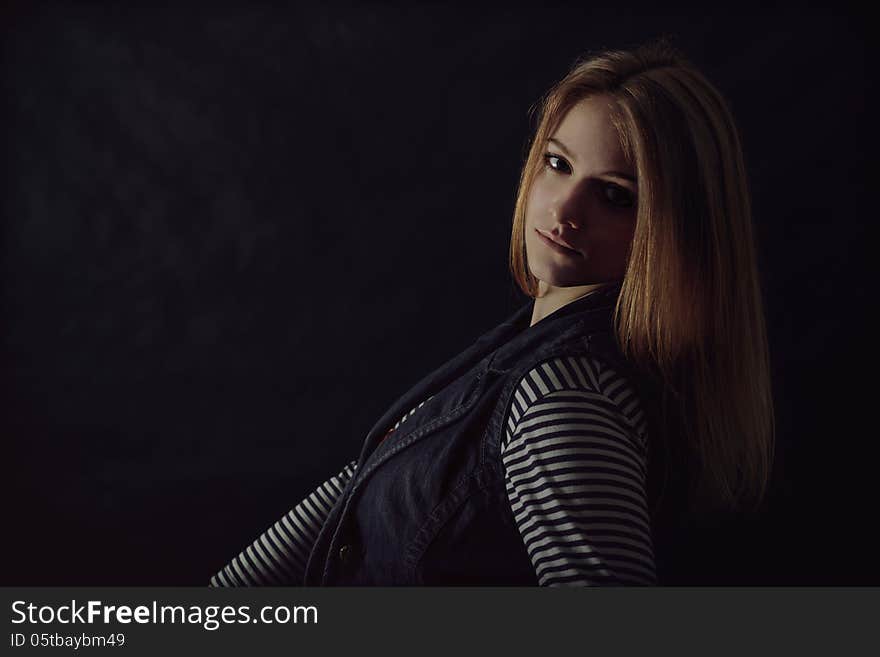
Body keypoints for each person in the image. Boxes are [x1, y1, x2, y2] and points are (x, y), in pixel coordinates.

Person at [210, 37, 774, 586]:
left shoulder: (563, 395)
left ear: (677, 229)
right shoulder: (529, 347)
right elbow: (358, 492)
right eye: (558, 163)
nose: (565, 208)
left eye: (616, 196)